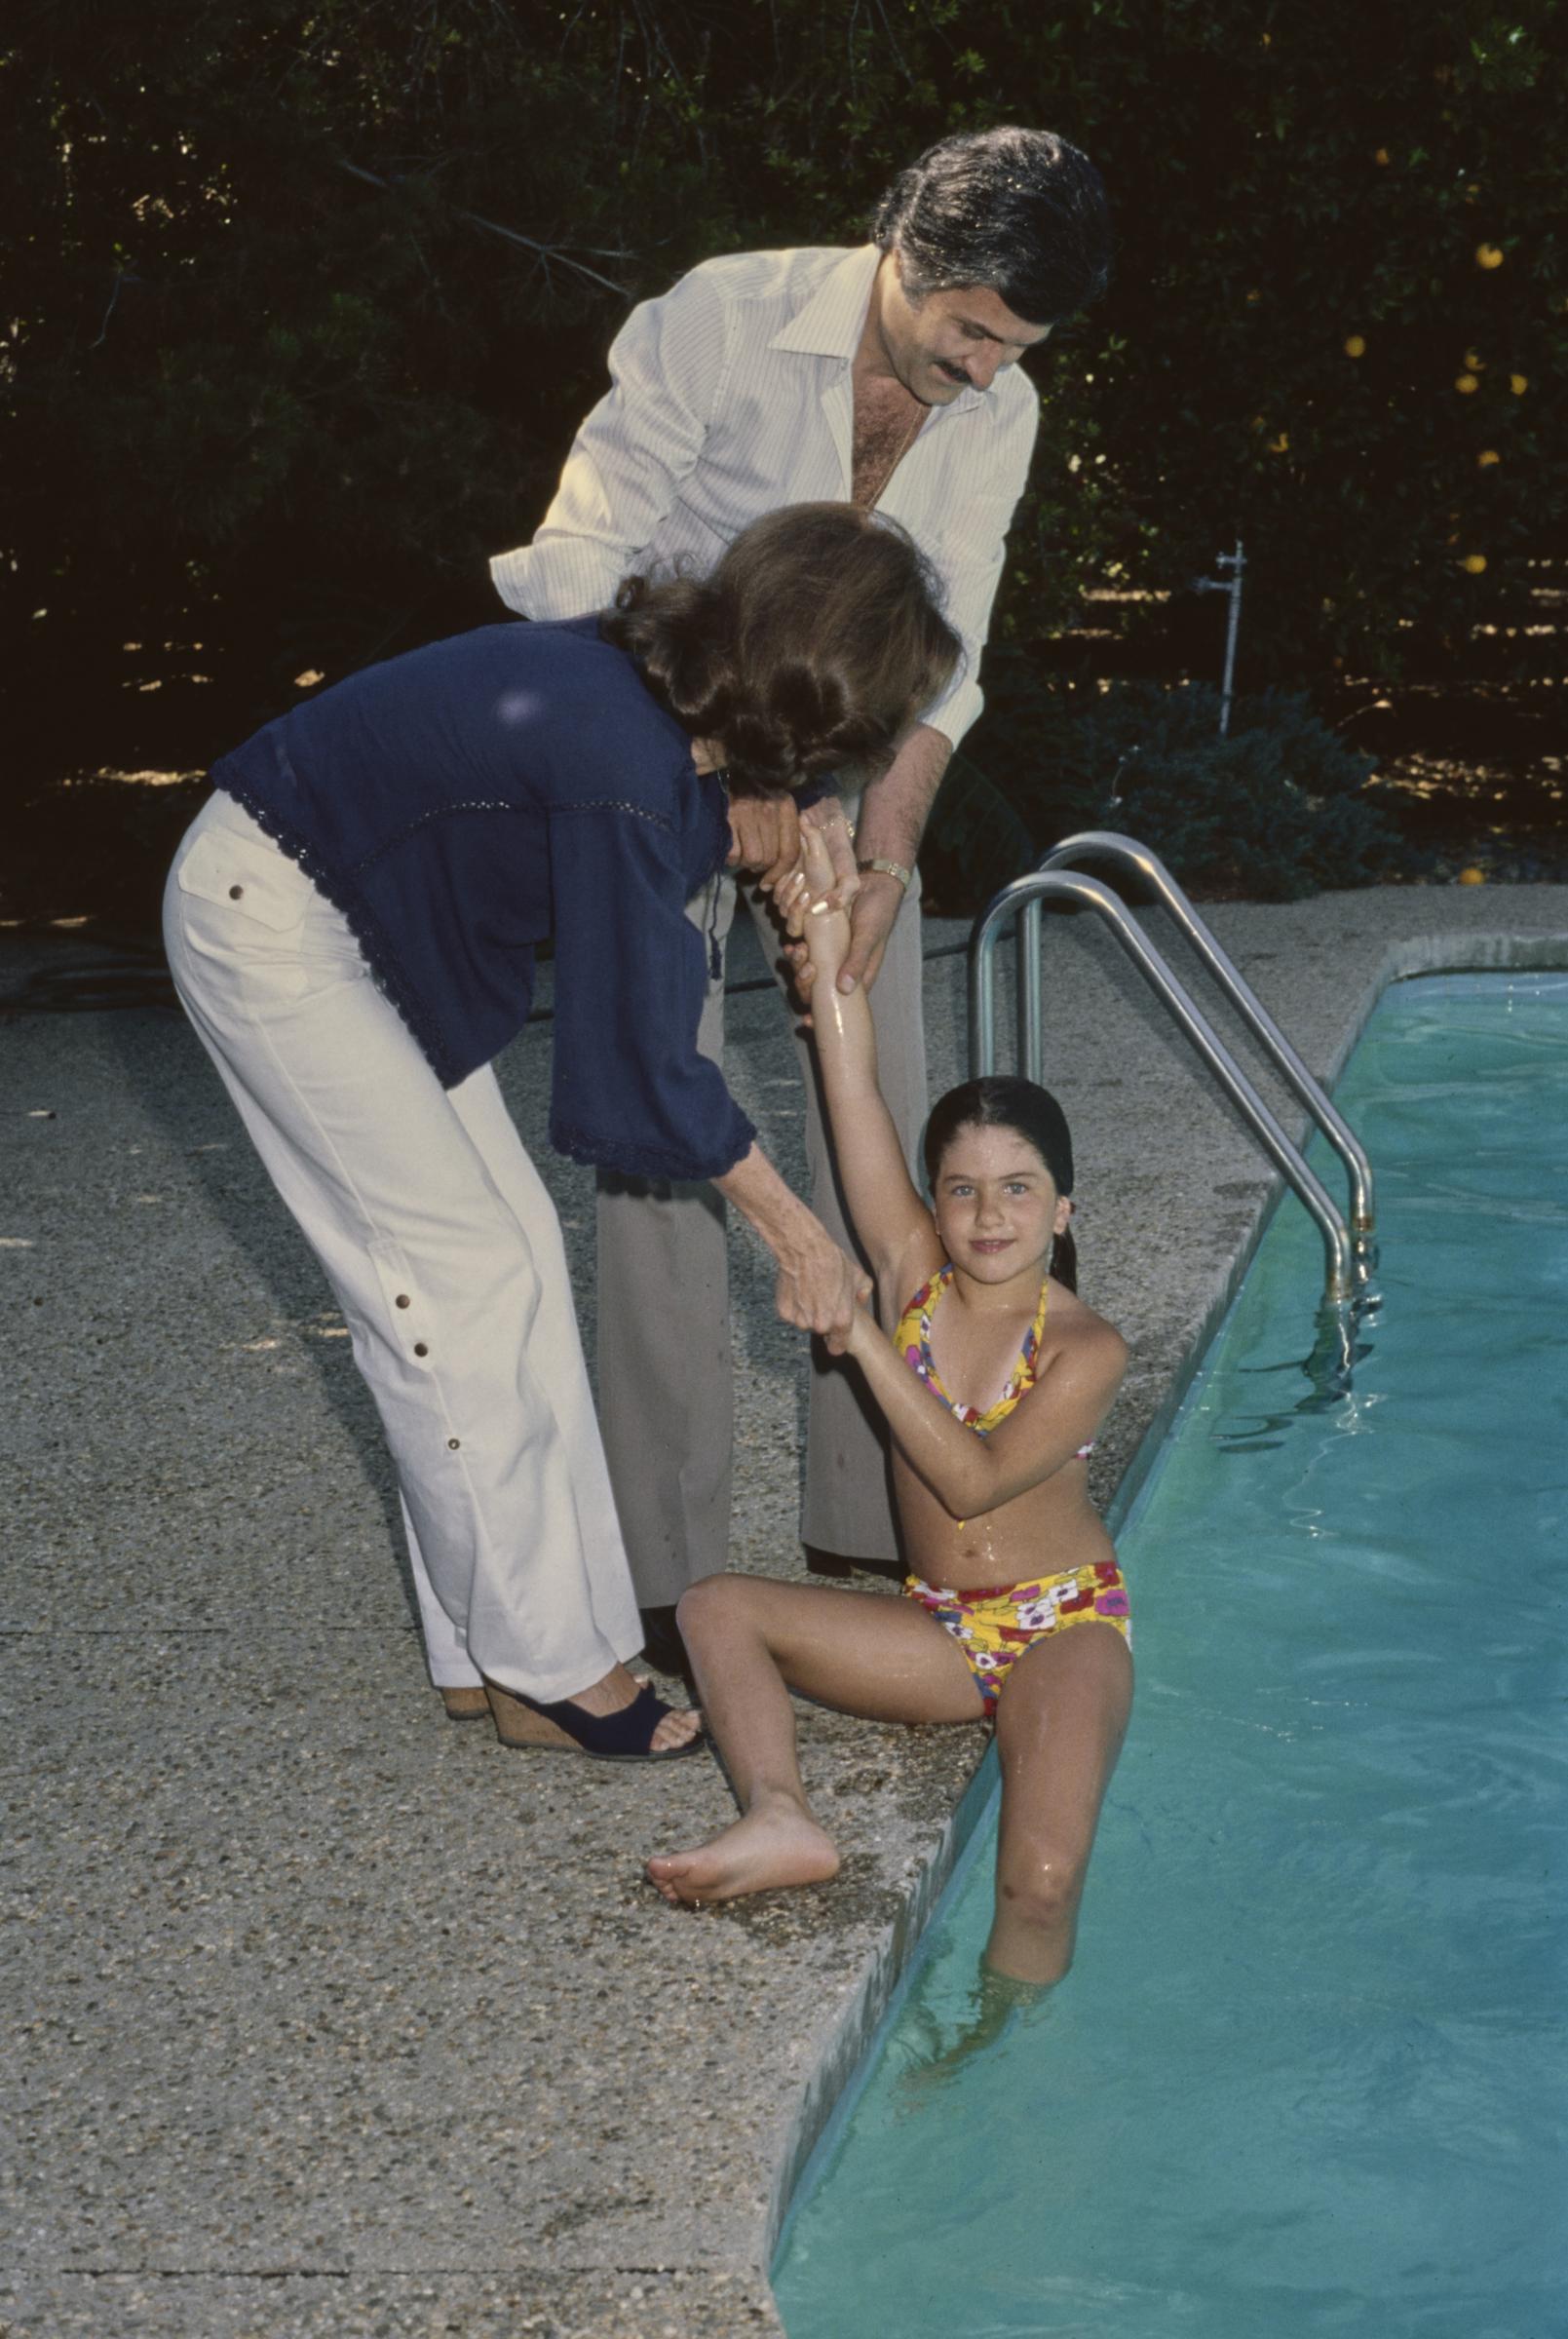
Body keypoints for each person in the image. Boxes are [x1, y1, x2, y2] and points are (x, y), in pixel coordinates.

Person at [162, 505, 958, 1762]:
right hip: (275, 922)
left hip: (366, 924)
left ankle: (498, 1644)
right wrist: (799, 1235)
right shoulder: (624, 759)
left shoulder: (678, 688)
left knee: (516, 1250)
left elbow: (707, 801)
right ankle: (543, 1671)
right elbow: (640, 1062)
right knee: (458, 1285)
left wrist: (779, 813)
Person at [490, 127, 1113, 1651]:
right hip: (655, 747)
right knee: (659, 1125)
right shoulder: (718, 315)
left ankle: (866, 1515)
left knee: (883, 1114)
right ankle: (663, 1558)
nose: (979, 375)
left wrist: (885, 851)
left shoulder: (1001, 406)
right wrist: (732, 774)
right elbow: (579, 567)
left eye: (1011, 348)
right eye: (966, 329)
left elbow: (944, 655)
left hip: (839, 781)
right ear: (898, 247)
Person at [646, 825, 1132, 1981]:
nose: (988, 1215)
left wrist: (855, 1333)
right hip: (934, 1632)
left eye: (1019, 1191)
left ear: (1062, 1211)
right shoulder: (917, 1275)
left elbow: (967, 1478)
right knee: (712, 1609)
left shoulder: (1086, 1347)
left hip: (1059, 1627)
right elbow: (849, 1082)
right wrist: (820, 945)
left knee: (1042, 1880)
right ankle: (780, 1814)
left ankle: (1003, 2077)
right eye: (960, 1189)